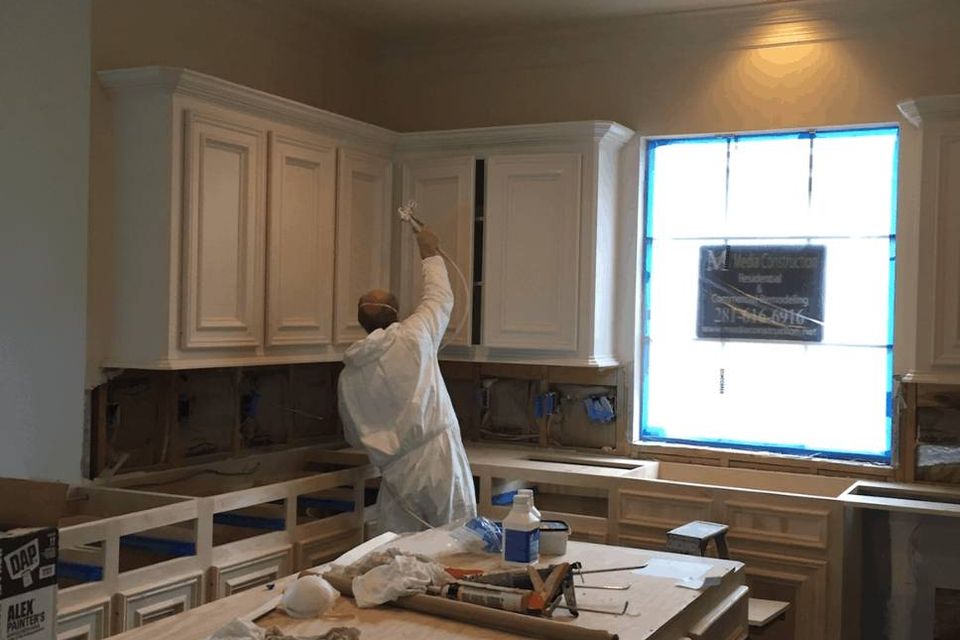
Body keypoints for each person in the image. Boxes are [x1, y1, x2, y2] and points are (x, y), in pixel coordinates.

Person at [337, 226, 477, 533]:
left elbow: (352, 435)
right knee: (457, 546)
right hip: (439, 460)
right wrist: (429, 252)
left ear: (361, 321)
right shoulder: (414, 337)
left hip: (396, 474)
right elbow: (440, 298)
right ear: (397, 314)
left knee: (401, 559)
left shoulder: (349, 376)